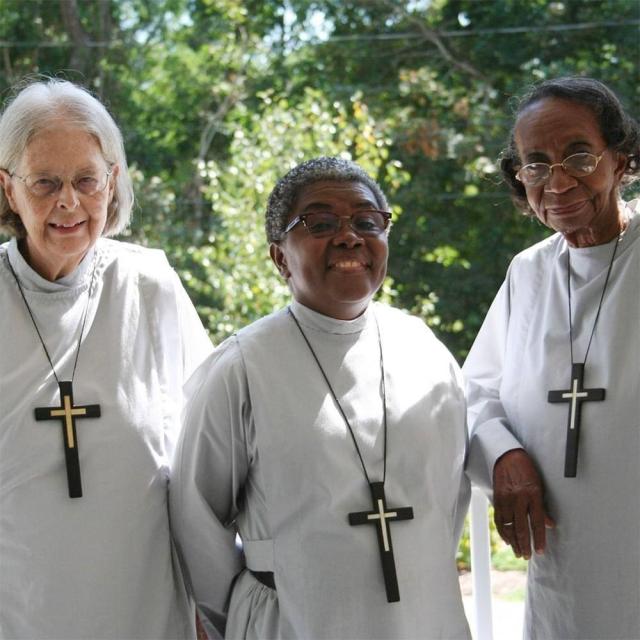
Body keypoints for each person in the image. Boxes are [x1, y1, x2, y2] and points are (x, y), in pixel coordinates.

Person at [170, 156, 471, 639]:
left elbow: (449, 496)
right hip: (293, 620)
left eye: (367, 221)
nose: (349, 236)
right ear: (280, 257)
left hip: (422, 617)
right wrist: (248, 612)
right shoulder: (243, 366)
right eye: (321, 222)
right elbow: (196, 515)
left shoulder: (423, 349)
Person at [0, 78, 213, 639]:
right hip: (22, 611)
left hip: (148, 609)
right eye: (45, 182)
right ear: (7, 188)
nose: (68, 201)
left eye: (87, 180)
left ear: (112, 182)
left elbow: (213, 454)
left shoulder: (149, 284)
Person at [464, 77, 640, 640]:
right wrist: (502, 455)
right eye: (535, 164)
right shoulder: (528, 273)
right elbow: (475, 393)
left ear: (621, 160)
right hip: (563, 564)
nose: (557, 181)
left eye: (578, 156)